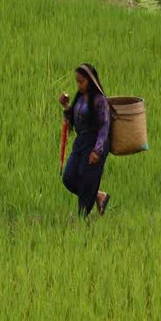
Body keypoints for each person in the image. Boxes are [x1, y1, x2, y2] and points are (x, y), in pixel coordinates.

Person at [59, 63, 111, 217]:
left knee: (87, 178)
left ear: (90, 80)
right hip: (81, 142)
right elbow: (75, 119)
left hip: (94, 143)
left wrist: (97, 150)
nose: (79, 85)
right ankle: (99, 196)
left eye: (81, 81)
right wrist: (66, 105)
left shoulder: (99, 100)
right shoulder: (80, 98)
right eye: (77, 81)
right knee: (68, 177)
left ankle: (82, 219)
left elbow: (104, 127)